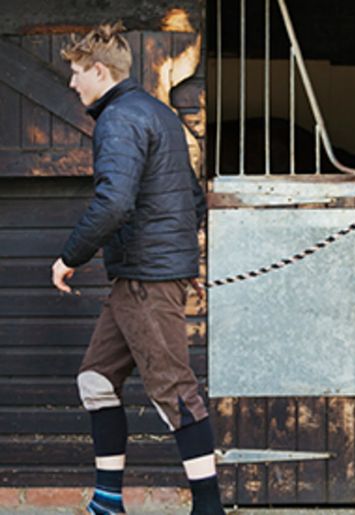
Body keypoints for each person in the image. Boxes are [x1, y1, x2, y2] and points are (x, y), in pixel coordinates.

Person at [50, 22, 224, 515]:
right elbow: (191, 197)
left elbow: (113, 203)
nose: (72, 83)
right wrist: (180, 260)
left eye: (77, 72)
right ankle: (108, 500)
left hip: (146, 280)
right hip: (144, 276)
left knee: (174, 391)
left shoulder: (118, 119)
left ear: (100, 70)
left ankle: (208, 507)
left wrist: (69, 257)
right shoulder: (157, 113)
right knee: (96, 381)